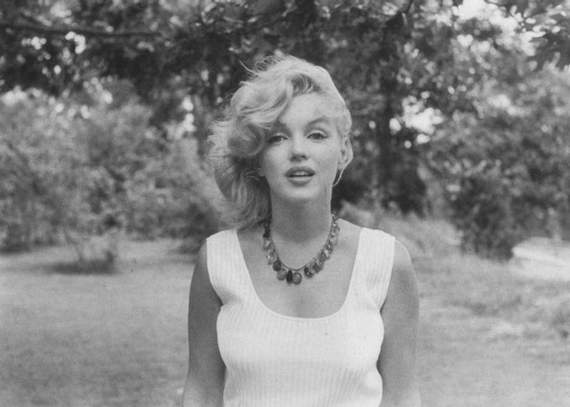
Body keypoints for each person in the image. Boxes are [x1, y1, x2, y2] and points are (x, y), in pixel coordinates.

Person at [182, 55, 420, 407]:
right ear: (257, 158)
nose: (298, 151)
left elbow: (401, 397)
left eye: (316, 134)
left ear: (343, 151)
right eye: (277, 138)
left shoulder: (386, 262)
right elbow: (201, 394)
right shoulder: (218, 260)